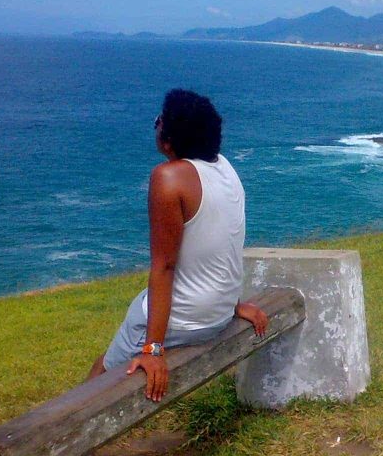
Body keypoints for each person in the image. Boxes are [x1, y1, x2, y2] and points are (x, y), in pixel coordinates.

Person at [83, 88, 267, 402]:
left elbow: (164, 266)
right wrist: (233, 304)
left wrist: (153, 349)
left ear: (169, 140)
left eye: (159, 121)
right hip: (218, 314)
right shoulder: (225, 168)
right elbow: (223, 244)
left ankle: (48, 440)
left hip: (183, 321)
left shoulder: (168, 178)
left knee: (103, 370)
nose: (156, 125)